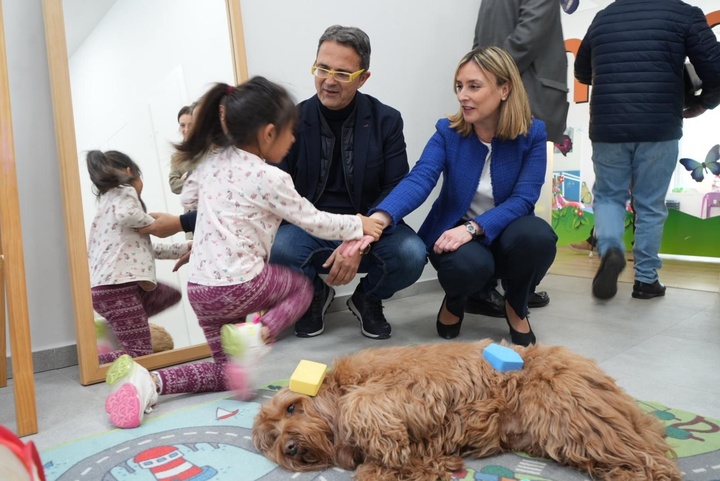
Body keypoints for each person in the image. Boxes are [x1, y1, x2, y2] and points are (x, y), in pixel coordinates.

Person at [103, 76, 383, 429]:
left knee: (228, 372)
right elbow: (313, 221)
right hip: (241, 284)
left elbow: (191, 201)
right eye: (290, 132)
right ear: (268, 134)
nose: (293, 139)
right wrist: (358, 224)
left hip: (202, 290)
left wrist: (205, 244)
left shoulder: (210, 164)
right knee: (302, 288)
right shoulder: (270, 177)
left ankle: (150, 382)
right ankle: (257, 335)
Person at [368, 46, 557, 346]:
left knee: (538, 237)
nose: (462, 95)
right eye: (459, 86)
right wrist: (381, 217)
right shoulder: (447, 132)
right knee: (466, 265)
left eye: (474, 86)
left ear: (504, 88)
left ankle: (516, 306)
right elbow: (420, 178)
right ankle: (457, 300)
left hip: (507, 233)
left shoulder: (532, 134)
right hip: (458, 236)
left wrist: (474, 228)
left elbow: (524, 199)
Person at [268, 25, 428, 340]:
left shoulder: (386, 120)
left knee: (412, 253)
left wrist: (357, 237)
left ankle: (367, 297)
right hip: (310, 226)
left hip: (370, 225)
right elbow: (277, 191)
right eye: (322, 68)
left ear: (363, 78)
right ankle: (314, 294)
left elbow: (396, 186)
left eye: (342, 73)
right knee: (280, 248)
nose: (328, 80)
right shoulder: (292, 121)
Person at [574, 0, 720, 300]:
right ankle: (646, 279)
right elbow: (715, 67)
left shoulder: (604, 17)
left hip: (607, 125)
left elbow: (582, 71)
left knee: (609, 196)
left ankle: (611, 248)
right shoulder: (684, 13)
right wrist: (703, 103)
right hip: (659, 124)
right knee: (650, 204)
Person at [469, 0, 569, 314]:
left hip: (513, 93)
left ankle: (510, 284)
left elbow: (525, 35)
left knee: (513, 196)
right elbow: (521, 37)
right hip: (513, 94)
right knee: (507, 195)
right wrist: (484, 79)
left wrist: (483, 76)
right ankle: (505, 285)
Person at [86, 150, 190, 365]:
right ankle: (93, 362)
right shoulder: (124, 191)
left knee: (168, 294)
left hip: (107, 290)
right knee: (140, 352)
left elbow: (150, 250)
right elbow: (129, 215)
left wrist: (187, 247)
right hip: (118, 289)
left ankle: (114, 328)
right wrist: (154, 225)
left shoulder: (107, 207)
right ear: (129, 171)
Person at [168, 105, 195, 194]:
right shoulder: (176, 157)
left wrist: (189, 176)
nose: (186, 130)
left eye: (190, 125)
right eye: (183, 125)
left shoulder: (210, 149)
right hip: (191, 207)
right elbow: (174, 186)